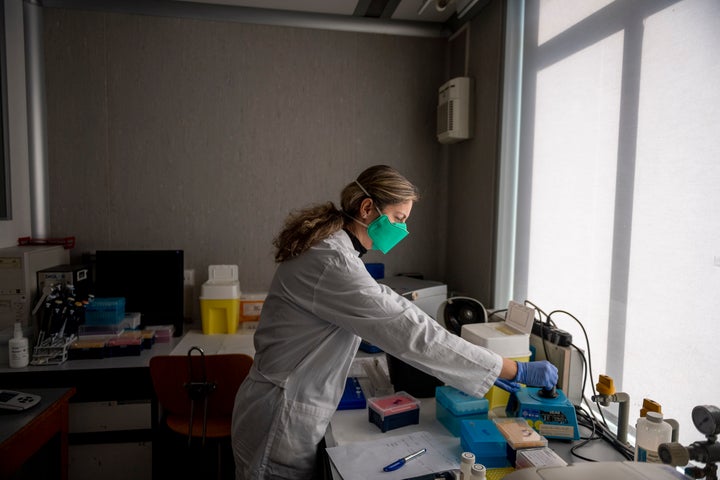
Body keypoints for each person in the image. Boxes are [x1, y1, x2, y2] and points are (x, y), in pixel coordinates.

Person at [231, 165, 557, 479]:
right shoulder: (332, 260)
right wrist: (511, 368)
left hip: (284, 403)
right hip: (280, 416)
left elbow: (391, 304)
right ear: (368, 208)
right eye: (399, 219)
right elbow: (410, 331)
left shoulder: (334, 250)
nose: (403, 229)